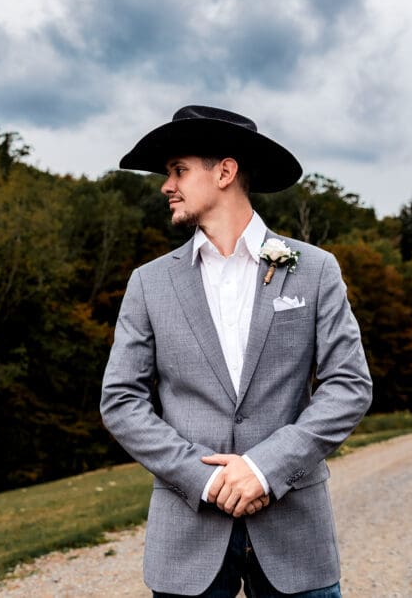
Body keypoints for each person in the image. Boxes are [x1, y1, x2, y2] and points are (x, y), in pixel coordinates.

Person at [100, 105, 372, 597]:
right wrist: (203, 479)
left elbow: (349, 385)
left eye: (179, 170)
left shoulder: (314, 269)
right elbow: (121, 400)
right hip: (187, 531)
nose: (167, 185)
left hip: (294, 529)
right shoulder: (149, 283)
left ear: (225, 172)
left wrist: (265, 468)